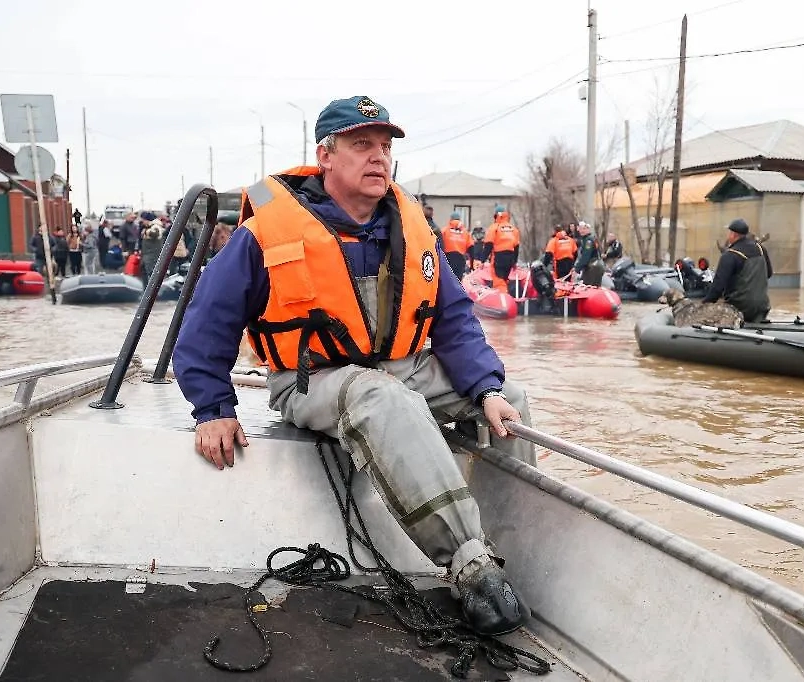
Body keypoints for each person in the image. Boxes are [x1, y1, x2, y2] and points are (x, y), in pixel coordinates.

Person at [172, 95, 534, 636]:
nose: (378, 158)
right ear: (325, 155)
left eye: (385, 147)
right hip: (310, 379)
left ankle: (515, 550)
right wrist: (212, 409)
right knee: (381, 398)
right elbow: (206, 324)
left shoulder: (410, 228)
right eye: (361, 144)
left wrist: (486, 388)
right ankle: (471, 566)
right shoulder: (266, 232)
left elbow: (453, 318)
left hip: (401, 367)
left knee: (511, 401)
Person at [702, 218, 772, 323]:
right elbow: (769, 274)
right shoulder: (761, 249)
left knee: (712, 314)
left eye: (729, 232)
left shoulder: (729, 255)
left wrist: (702, 306)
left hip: (739, 309)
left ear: (733, 235)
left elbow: (717, 289)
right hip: (762, 308)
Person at [481, 205, 520, 293]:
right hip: (510, 259)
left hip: (498, 258)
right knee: (504, 280)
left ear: (496, 216)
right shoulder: (513, 229)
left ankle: (502, 301)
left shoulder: (494, 227)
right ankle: (505, 296)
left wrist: (482, 260)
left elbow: (488, 245)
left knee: (498, 281)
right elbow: (516, 247)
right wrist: (514, 262)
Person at [440, 211, 473, 279]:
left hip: (447, 259)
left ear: (450, 219)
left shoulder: (444, 230)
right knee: (457, 281)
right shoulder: (465, 232)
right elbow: (471, 248)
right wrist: (472, 264)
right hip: (460, 259)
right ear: (459, 220)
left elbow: (438, 245)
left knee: (447, 280)